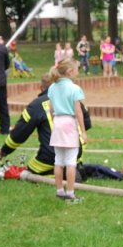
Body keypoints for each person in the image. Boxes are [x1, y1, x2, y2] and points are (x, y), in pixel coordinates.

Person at [0, 74, 91, 176]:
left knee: (30, 170)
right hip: (75, 153)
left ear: (41, 88)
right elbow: (86, 124)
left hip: (50, 157)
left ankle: (54, 173)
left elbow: (19, 133)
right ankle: (73, 169)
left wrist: (4, 150)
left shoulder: (36, 105)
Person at [48, 58, 86, 203]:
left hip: (57, 122)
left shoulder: (52, 87)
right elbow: (79, 112)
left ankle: (59, 190)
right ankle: (70, 193)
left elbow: (51, 109)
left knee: (58, 160)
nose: (78, 73)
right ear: (70, 72)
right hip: (69, 123)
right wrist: (83, 131)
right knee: (71, 161)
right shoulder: (74, 88)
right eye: (77, 70)